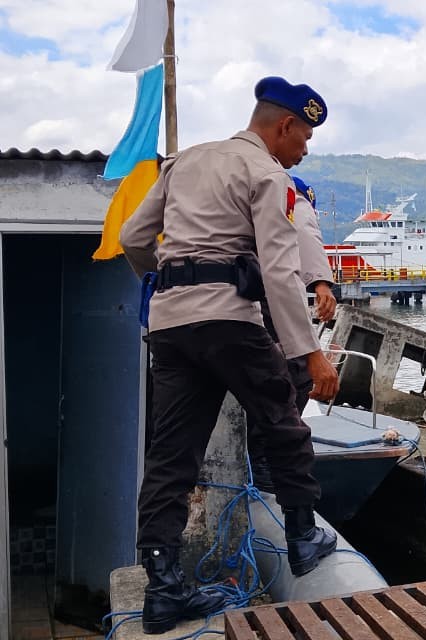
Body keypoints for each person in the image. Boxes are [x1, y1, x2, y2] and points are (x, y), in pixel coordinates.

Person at [119, 76, 340, 634]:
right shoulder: (268, 174)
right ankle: (301, 536)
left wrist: (174, 283)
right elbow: (282, 271)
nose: (305, 149)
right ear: (284, 126)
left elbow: (132, 238)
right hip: (229, 322)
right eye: (305, 137)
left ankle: (163, 588)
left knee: (170, 456)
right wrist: (309, 353)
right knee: (282, 422)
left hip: (170, 326)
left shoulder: (183, 162)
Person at [248, 175, 337, 493]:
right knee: (295, 374)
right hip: (267, 292)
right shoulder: (292, 193)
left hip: (227, 298)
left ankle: (258, 457)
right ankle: (263, 459)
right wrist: (322, 282)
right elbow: (304, 231)